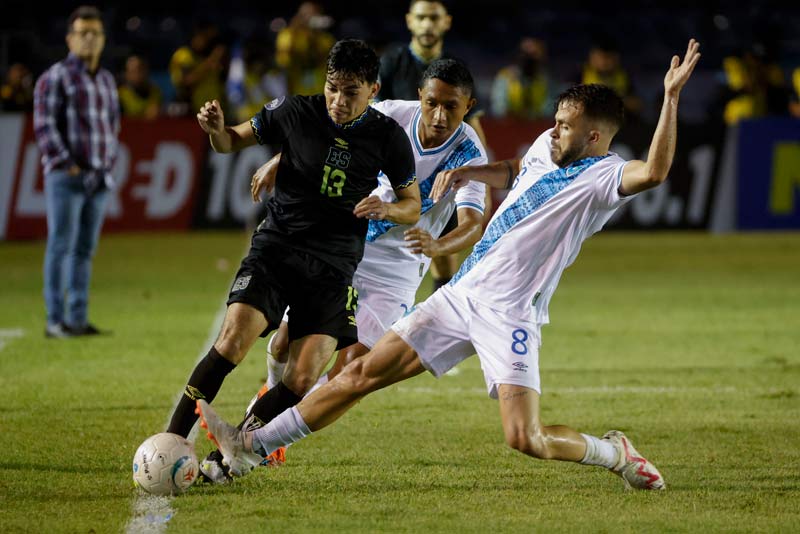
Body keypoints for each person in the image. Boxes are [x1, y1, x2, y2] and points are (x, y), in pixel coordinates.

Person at [195, 39, 702, 490]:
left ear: (593, 137)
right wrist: (468, 172)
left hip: (510, 313)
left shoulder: (604, 177)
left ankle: (614, 452)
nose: (553, 130)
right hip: (461, 294)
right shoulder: (547, 149)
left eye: (565, 125)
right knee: (359, 374)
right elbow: (513, 169)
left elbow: (655, 172)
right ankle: (248, 448)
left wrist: (671, 99)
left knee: (525, 437)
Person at [199, 58, 488, 482]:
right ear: (420, 98)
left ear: (469, 107)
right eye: (432, 103)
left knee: (347, 371)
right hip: (342, 249)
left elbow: (472, 223)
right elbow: (327, 135)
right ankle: (268, 399)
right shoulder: (392, 114)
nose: (440, 115)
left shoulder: (469, 154)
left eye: (452, 107)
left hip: (395, 273)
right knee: (282, 347)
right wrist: (278, 161)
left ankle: (246, 450)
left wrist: (438, 244)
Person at [165, 40, 420, 446]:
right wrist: (216, 131)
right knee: (232, 342)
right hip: (277, 249)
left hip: (334, 268)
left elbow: (412, 205)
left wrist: (387, 210)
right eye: (332, 87)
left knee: (301, 379)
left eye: (350, 92)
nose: (337, 100)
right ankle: (172, 440)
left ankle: (233, 451)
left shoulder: (388, 137)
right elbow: (231, 140)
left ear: (373, 90)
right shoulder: (295, 111)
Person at [377, 0, 489, 292]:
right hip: (394, 165)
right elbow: (362, 118)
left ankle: (439, 315)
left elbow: (473, 129)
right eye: (421, 17)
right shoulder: (392, 64)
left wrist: (483, 174)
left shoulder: (457, 71)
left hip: (442, 172)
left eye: (434, 18)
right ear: (410, 21)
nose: (428, 24)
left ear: (446, 23)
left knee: (442, 254)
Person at [33, 5, 120, 338]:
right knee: (60, 245)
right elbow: (44, 128)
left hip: (98, 179)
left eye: (94, 33)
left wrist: (106, 165)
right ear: (69, 39)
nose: (88, 39)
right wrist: (68, 164)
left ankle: (78, 319)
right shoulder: (54, 77)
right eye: (82, 33)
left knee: (84, 249)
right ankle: (55, 320)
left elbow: (112, 128)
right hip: (66, 177)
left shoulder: (107, 80)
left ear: (102, 39)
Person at [274, 2, 336, 97]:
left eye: (315, 14)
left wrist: (315, 36)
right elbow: (284, 61)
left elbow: (328, 60)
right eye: (306, 15)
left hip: (320, 91)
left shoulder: (325, 39)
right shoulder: (288, 35)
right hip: (297, 89)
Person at [168, 19, 227, 117]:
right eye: (205, 37)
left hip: (215, 111)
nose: (208, 42)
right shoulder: (183, 55)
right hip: (193, 112)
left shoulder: (206, 56)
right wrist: (211, 61)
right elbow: (186, 82)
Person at [490, 37, 555, 119]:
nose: (529, 60)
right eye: (525, 54)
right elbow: (498, 108)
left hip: (537, 126)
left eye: (533, 55)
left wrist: (531, 115)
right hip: (509, 125)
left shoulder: (546, 80)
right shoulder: (505, 77)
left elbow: (549, 109)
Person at [118, 54, 162, 119]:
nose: (137, 75)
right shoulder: (120, 96)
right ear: (126, 74)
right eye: (133, 71)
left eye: (140, 69)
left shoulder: (156, 92)